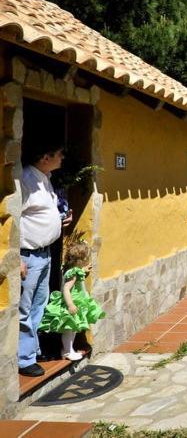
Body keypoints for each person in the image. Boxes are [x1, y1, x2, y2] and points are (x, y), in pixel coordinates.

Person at [18, 141, 72, 377]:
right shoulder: (26, 179)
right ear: (45, 156)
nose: (63, 158)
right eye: (60, 154)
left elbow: (38, 215)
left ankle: (31, 350)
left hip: (44, 254)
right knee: (24, 308)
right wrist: (15, 257)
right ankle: (23, 359)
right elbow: (12, 218)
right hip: (27, 256)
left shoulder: (45, 177)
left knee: (38, 305)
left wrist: (59, 220)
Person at [40, 232, 105, 360]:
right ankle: (67, 351)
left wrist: (83, 270)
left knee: (73, 328)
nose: (88, 260)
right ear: (80, 260)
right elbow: (66, 288)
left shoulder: (71, 269)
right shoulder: (73, 273)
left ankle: (69, 349)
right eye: (86, 258)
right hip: (72, 303)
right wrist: (70, 304)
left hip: (76, 302)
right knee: (69, 329)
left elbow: (74, 276)